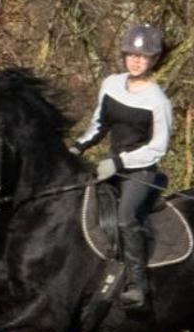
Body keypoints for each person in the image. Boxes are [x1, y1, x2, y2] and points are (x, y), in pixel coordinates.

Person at [69, 23, 173, 313]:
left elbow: (158, 147)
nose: (136, 60)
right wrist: (78, 147)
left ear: (154, 60)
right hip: (110, 164)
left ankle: (138, 285)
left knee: (126, 217)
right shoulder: (111, 84)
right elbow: (99, 124)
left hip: (140, 171)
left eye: (143, 56)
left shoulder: (158, 101)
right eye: (131, 55)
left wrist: (118, 162)